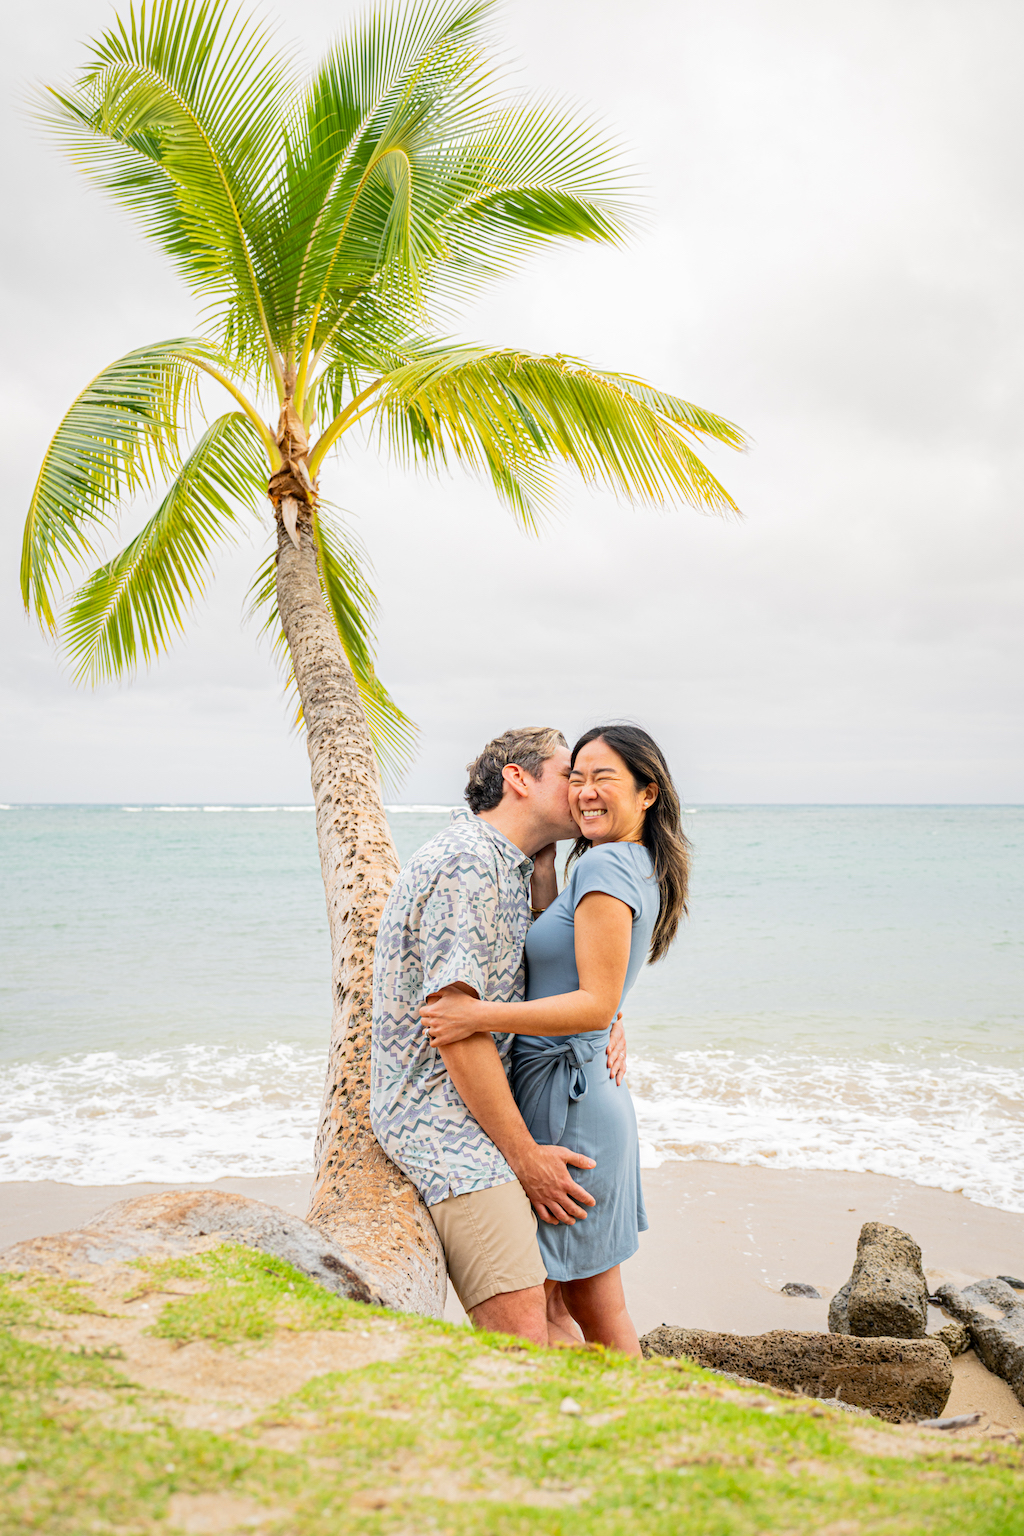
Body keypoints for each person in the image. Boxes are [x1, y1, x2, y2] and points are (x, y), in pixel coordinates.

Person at [422, 725, 689, 1356]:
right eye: (577, 776)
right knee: (559, 1300)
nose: (586, 791)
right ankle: (600, 1422)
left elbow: (595, 1003)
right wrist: (542, 865)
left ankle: (637, 1431)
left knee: (596, 1308)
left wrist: (478, 1016)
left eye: (605, 779)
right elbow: (584, 971)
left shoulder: (602, 864)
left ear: (648, 794)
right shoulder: (622, 862)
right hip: (577, 1089)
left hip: (570, 1106)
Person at [370, 726, 627, 1347]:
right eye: (569, 774)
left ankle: (602, 1435)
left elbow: (558, 975)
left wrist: (611, 1017)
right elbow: (455, 1027)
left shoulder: (511, 868)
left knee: (559, 1315)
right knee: (522, 1333)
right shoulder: (468, 864)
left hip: (490, 1106)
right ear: (518, 778)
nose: (582, 791)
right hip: (443, 1122)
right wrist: (525, 1158)